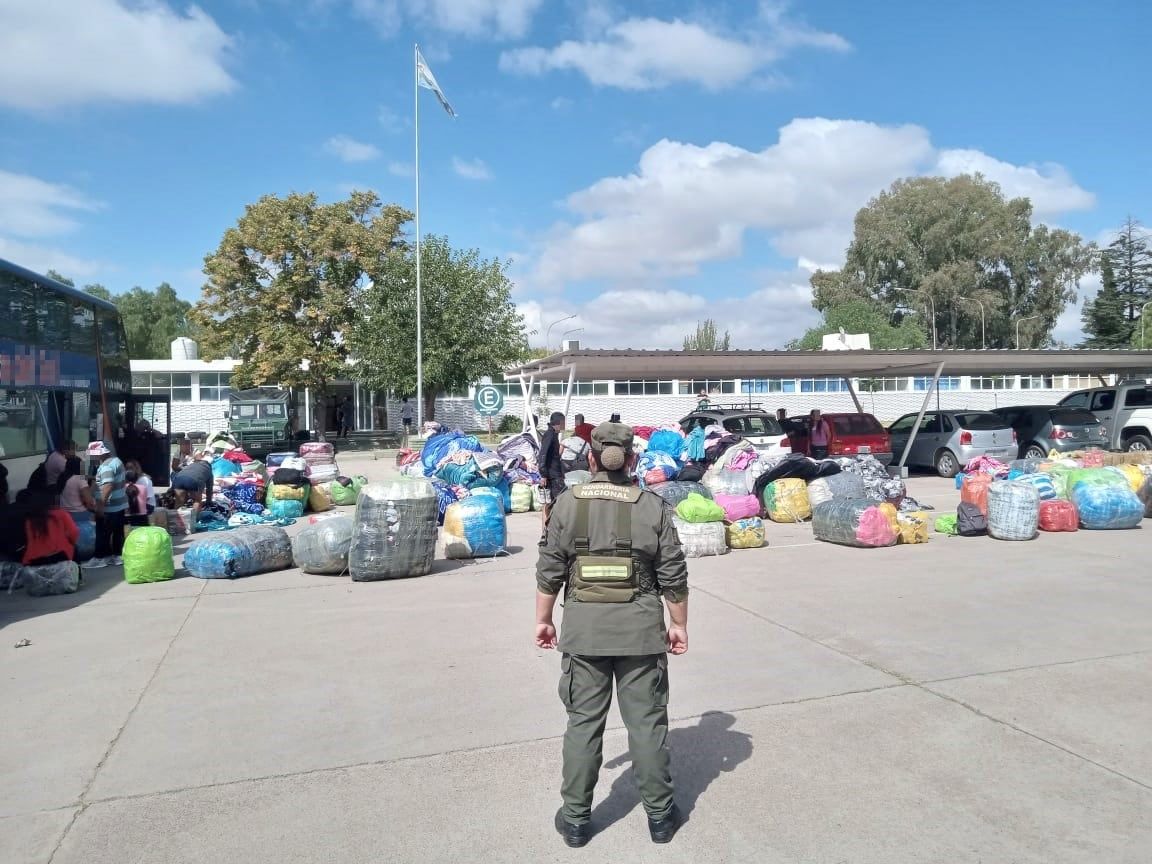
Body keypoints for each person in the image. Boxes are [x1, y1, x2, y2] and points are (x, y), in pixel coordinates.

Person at [535, 421, 690, 848]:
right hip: (640, 634)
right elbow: (673, 574)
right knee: (647, 724)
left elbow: (549, 570)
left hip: (584, 634)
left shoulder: (566, 504)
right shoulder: (652, 506)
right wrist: (678, 624)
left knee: (583, 724)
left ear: (590, 459)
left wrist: (544, 619)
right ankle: (660, 819)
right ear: (633, 460)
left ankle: (576, 821)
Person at [87, 441, 128, 569]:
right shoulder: (117, 461)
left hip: (109, 507)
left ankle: (100, 558)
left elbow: (107, 486)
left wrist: (101, 506)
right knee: (117, 532)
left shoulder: (105, 467)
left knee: (103, 533)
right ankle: (116, 556)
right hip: (120, 504)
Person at [22, 488, 78, 566]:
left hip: (35, 559)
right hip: (61, 555)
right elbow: (74, 532)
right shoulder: (61, 514)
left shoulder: (30, 520)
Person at [171, 451, 215, 530]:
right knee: (197, 501)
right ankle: (193, 522)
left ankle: (175, 523)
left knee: (179, 502)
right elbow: (209, 489)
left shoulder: (192, 464)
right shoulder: (208, 469)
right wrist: (209, 502)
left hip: (178, 479)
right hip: (193, 481)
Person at [538, 412, 567, 508]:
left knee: (552, 504)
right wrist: (543, 474)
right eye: (563, 423)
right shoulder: (549, 435)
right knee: (557, 503)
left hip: (554, 474)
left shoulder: (553, 434)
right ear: (558, 423)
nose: (564, 426)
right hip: (552, 476)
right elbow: (543, 454)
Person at [58, 456, 97, 527]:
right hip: (79, 514)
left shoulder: (61, 478)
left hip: (64, 514)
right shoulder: (79, 479)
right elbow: (89, 502)